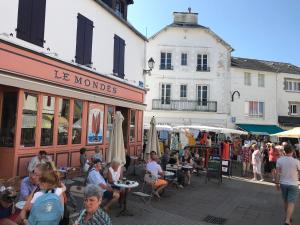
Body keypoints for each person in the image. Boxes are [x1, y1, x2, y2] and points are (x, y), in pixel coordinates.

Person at [275, 144, 300, 225]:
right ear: (292, 151)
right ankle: (288, 220)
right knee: (291, 202)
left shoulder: (280, 160)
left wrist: (277, 183)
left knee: (286, 201)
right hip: (293, 184)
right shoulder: (296, 161)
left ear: (284, 151)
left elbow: (278, 173)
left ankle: (287, 217)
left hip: (283, 183)